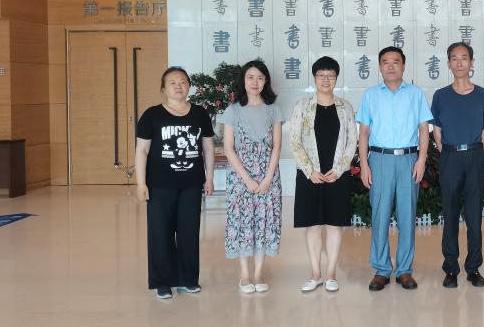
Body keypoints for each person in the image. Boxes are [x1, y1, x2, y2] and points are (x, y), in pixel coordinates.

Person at [357, 46, 434, 291]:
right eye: (385, 62)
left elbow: (424, 129)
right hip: (380, 159)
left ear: (403, 66)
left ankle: (404, 270)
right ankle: (381, 269)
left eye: (396, 61)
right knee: (380, 216)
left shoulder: (415, 94)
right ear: (380, 66)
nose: (391, 66)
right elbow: (364, 133)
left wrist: (421, 160)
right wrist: (364, 164)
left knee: (407, 216)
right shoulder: (370, 95)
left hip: (408, 159)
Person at [135, 67, 215, 300]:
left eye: (183, 82)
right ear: (163, 89)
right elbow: (142, 150)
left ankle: (188, 280)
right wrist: (141, 183)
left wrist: (209, 177)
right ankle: (162, 282)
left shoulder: (199, 113)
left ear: (189, 86)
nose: (178, 86)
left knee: (189, 232)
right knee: (160, 233)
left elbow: (208, 148)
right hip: (159, 185)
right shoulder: (152, 115)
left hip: (191, 184)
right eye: (172, 83)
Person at [289, 56, 359, 293]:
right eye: (321, 75)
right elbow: (295, 141)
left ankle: (330, 274)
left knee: (334, 225)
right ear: (314, 78)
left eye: (330, 75)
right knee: (313, 225)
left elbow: (352, 141)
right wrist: (310, 171)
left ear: (336, 78)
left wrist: (339, 170)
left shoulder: (345, 107)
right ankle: (315, 274)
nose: (326, 79)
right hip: (310, 175)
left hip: (337, 175)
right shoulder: (302, 106)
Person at [220, 60, 285, 294]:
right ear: (243, 81)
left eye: (259, 78)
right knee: (242, 222)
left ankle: (258, 273)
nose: (255, 82)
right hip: (240, 177)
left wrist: (267, 179)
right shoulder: (233, 111)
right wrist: (247, 179)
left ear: (265, 81)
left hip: (268, 175)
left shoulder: (274, 109)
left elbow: (277, 147)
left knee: (265, 222)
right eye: (250, 77)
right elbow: (228, 149)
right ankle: (245, 275)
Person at [431, 42, 484, 289]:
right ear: (448, 64)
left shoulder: (483, 95)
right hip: (450, 157)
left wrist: (473, 149)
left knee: (474, 216)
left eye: (464, 58)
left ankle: (473, 268)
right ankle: (451, 268)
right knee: (450, 214)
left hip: (475, 156)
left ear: (472, 62)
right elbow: (436, 129)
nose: (459, 63)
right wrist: (448, 151)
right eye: (454, 59)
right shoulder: (441, 95)